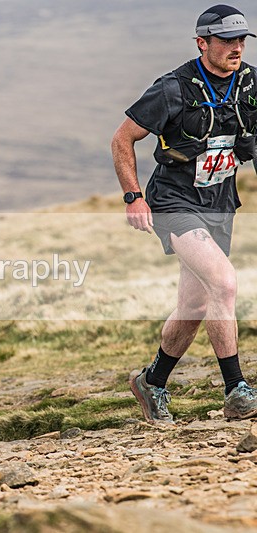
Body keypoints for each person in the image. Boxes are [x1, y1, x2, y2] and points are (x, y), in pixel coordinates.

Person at [112, 5, 257, 426]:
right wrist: (133, 196)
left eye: (241, 40)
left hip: (220, 204)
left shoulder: (250, 83)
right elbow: (123, 139)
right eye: (226, 41)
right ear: (202, 43)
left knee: (193, 305)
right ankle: (237, 390)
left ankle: (152, 382)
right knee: (224, 284)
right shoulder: (173, 88)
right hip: (174, 201)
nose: (236, 48)